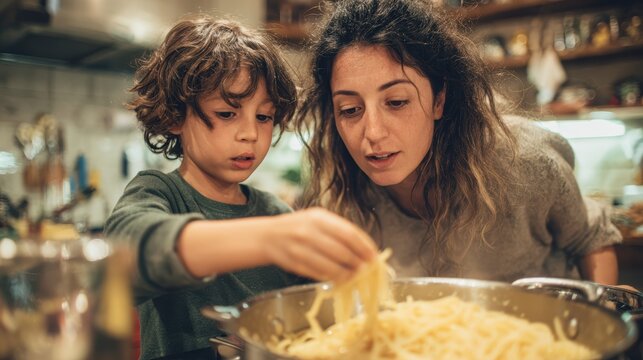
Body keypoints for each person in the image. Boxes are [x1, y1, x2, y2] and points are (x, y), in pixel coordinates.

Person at [105, 16, 376, 360]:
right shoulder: (160, 192)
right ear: (175, 116)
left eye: (263, 117)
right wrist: (269, 239)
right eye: (227, 113)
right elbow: (123, 258)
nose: (250, 133)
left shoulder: (274, 213)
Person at [295, 0, 621, 284]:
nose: (373, 133)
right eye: (350, 110)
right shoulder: (341, 195)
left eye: (396, 102)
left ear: (439, 100)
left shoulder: (524, 160)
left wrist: (601, 310)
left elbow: (590, 239)